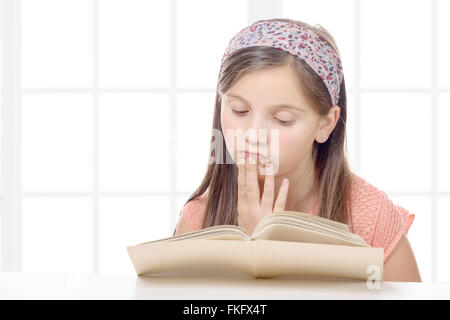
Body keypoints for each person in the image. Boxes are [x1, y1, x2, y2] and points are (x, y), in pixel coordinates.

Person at [173, 18, 421, 282]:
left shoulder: (372, 217)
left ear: (326, 123)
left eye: (282, 119)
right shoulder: (200, 219)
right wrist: (249, 251)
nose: (253, 135)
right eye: (239, 111)